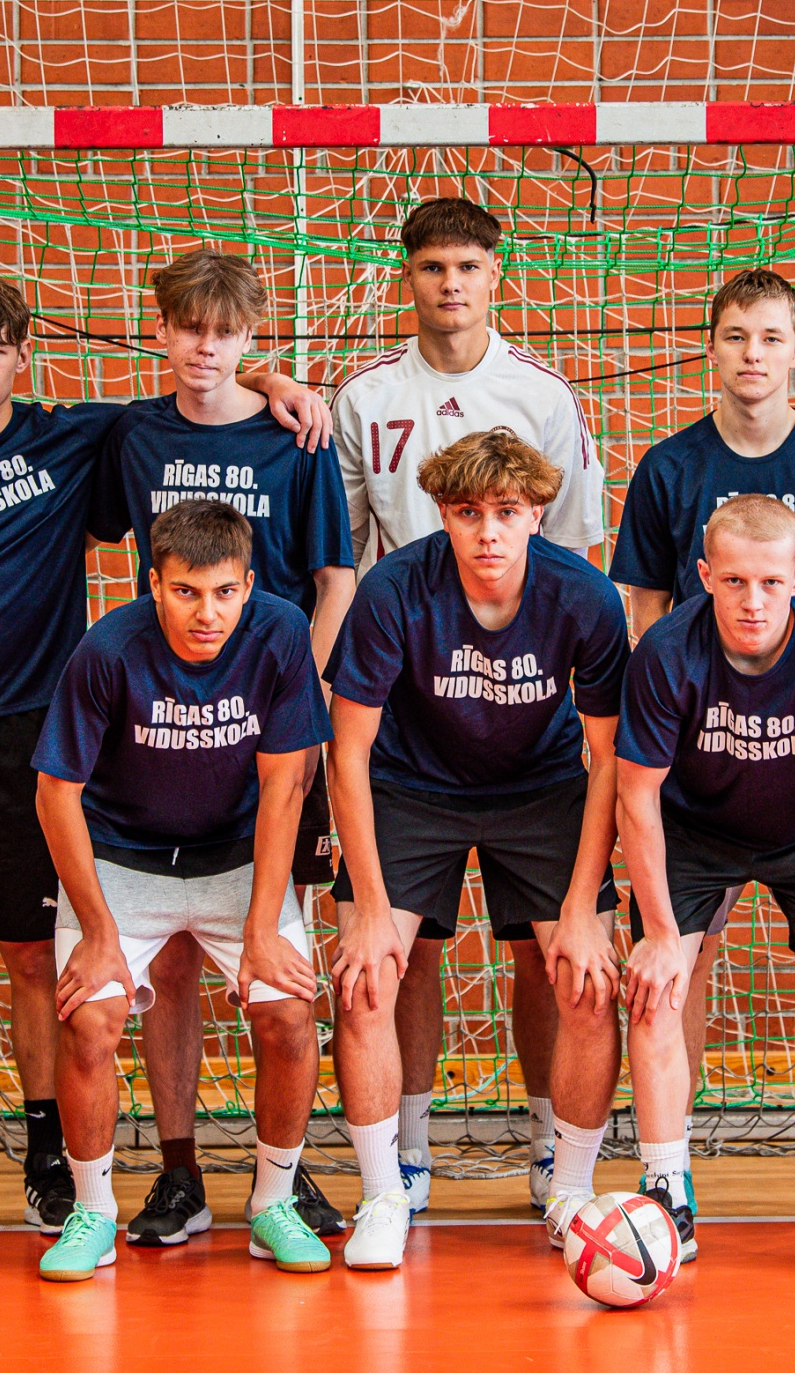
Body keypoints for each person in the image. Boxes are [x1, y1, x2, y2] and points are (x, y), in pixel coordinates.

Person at [0, 272, 327, 1242]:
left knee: (33, 957)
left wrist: (273, 383)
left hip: (30, 729)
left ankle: (49, 1168)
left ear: (23, 357)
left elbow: (200, 387)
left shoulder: (75, 438)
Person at [329, 196, 608, 1212]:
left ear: (496, 274)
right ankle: (398, 1164)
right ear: (407, 276)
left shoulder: (542, 396)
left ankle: (554, 1157)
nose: (450, 284)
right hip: (408, 737)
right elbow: (340, 558)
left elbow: (570, 555)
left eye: (468, 266)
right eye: (431, 266)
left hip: (532, 754)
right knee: (392, 959)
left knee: (557, 958)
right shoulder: (364, 397)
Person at [606, 266, 795, 1230]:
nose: (753, 354)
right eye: (735, 335)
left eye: (771, 336)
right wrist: (655, 929)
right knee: (664, 971)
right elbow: (645, 608)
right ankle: (667, 1178)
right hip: (693, 796)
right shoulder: (670, 477)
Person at [551, 494, 795, 1276]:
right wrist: (660, 935)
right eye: (734, 581)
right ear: (704, 575)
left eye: (771, 582)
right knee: (656, 986)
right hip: (694, 828)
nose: (753, 601)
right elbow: (637, 796)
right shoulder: (667, 653)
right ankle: (667, 1188)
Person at [88, 250, 356, 1246]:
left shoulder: (297, 435)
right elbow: (95, 533)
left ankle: (281, 1173)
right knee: (170, 965)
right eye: (190, 329)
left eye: (227, 333)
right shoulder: (134, 434)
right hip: (163, 720)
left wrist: (301, 696)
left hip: (271, 721)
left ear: (250, 337)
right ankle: (178, 1172)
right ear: (159, 330)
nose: (207, 348)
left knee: (278, 957)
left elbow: (334, 578)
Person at [326, 429, 629, 1270]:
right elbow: (347, 751)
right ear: (441, 514)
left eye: (506, 512)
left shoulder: (584, 597)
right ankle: (386, 1188)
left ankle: (568, 1183)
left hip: (541, 788)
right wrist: (369, 908)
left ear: (537, 514)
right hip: (411, 785)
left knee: (585, 979)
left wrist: (582, 906)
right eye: (467, 513)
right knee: (367, 977)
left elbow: (609, 756)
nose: (488, 532)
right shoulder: (393, 589)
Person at [30, 499, 335, 1280]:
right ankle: (92, 1211)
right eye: (187, 592)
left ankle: (272, 1202)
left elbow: (286, 787)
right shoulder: (107, 650)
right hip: (123, 858)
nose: (208, 613)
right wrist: (99, 932)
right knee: (90, 1019)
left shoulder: (278, 634)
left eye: (225, 592)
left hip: (236, 858)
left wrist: (262, 928)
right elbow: (55, 795)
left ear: (249, 585)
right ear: (155, 585)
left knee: (289, 1015)